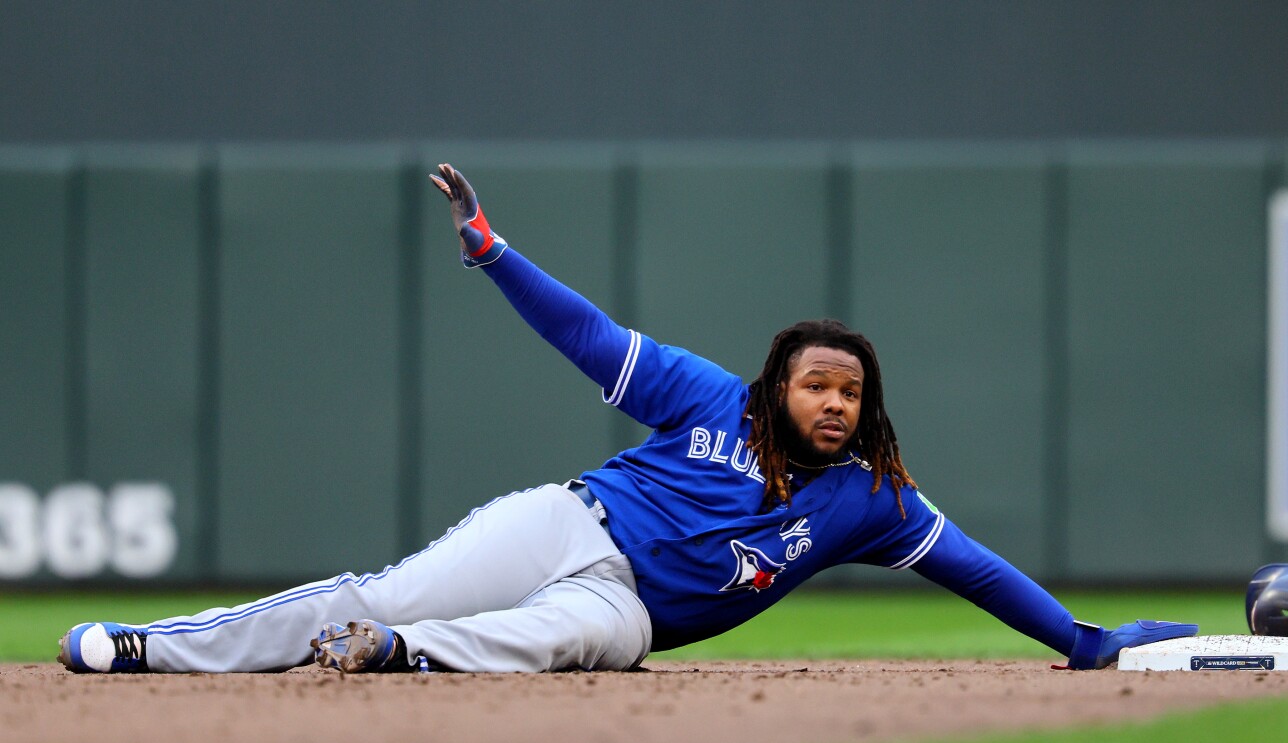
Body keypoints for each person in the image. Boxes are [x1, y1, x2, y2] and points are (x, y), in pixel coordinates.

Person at [57, 164, 1197, 675]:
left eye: (851, 392)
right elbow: (592, 338)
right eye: (818, 385)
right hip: (569, 525)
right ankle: (150, 649)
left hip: (625, 605)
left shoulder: (869, 500)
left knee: (577, 643)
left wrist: (1087, 643)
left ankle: (398, 661)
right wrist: (496, 255)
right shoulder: (712, 397)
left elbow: (981, 571)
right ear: (780, 385)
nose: (836, 404)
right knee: (382, 589)